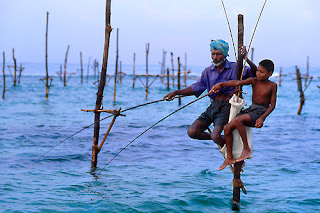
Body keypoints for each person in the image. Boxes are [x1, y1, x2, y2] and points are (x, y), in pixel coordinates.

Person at [164, 39, 256, 147]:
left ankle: (230, 153)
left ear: (225, 54)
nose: (215, 57)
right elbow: (196, 87)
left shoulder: (235, 67)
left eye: (218, 54)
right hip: (213, 106)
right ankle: (225, 139)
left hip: (228, 106)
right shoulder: (208, 71)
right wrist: (176, 92)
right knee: (192, 131)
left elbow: (255, 74)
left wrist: (246, 59)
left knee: (215, 136)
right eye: (213, 54)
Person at [210, 59, 277, 170]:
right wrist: (221, 84)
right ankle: (229, 157)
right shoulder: (254, 81)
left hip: (259, 112)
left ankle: (246, 148)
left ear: (270, 74)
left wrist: (262, 118)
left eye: (262, 72)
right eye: (258, 71)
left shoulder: (272, 85)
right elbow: (236, 83)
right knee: (227, 128)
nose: (258, 74)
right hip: (251, 110)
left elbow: (272, 105)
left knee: (238, 120)